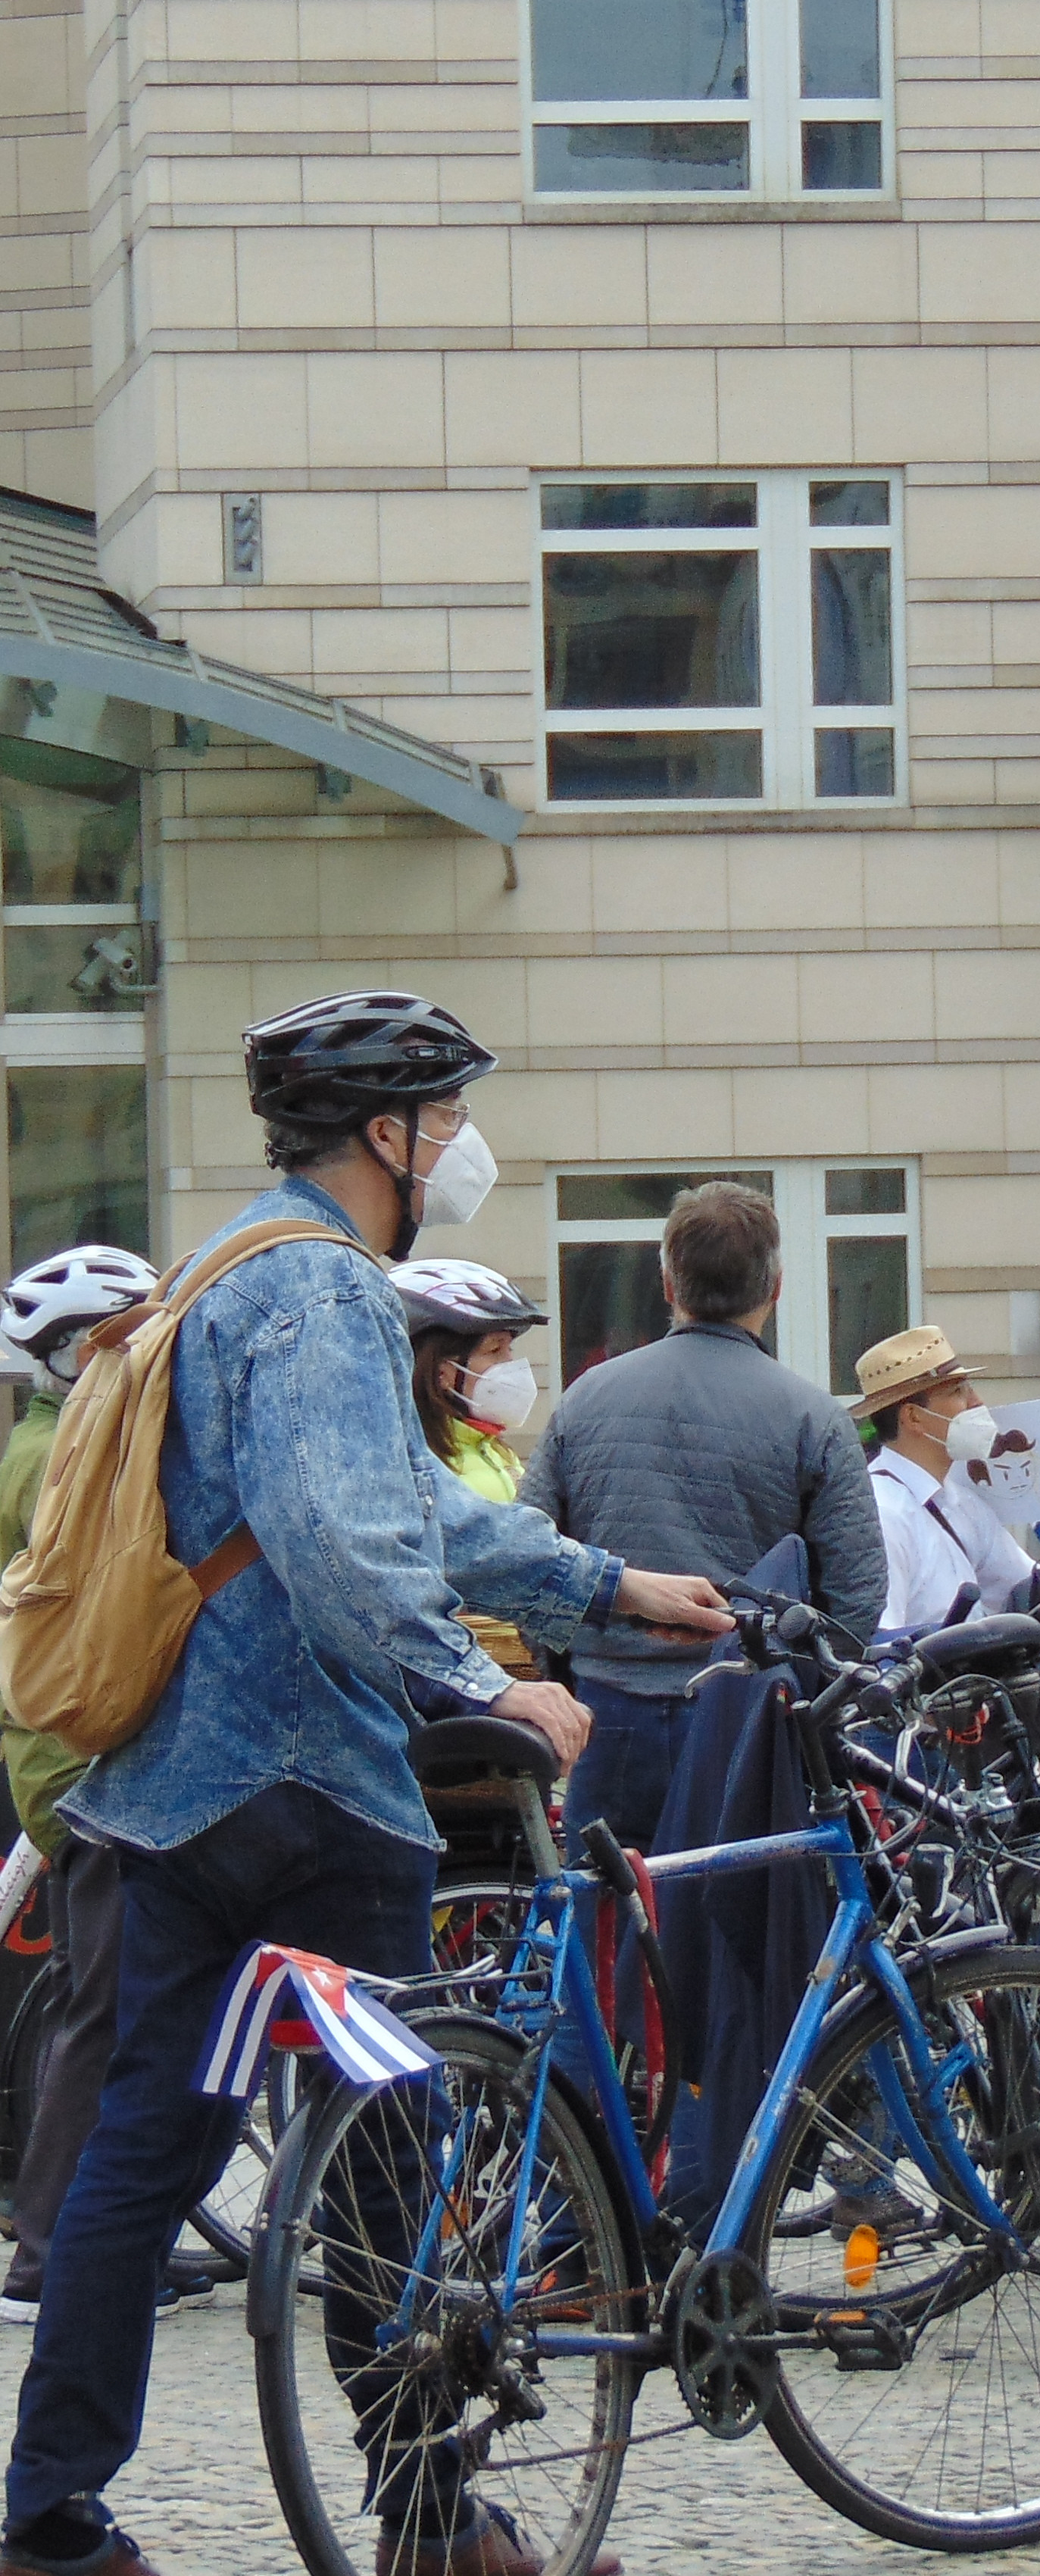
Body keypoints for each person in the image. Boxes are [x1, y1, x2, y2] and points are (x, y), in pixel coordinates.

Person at [2, 988, 732, 2576]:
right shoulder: (328, 1292)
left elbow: (410, 1508)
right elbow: (349, 1543)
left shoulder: (228, 1268)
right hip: (307, 1784)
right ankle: (427, 2515)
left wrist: (608, 1583)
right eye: (450, 1116)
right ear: (389, 1132)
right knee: (390, 2148)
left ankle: (49, 2514)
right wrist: (491, 1682)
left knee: (148, 2146)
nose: (463, 1144)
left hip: (163, 1789)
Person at [519, 1180, 888, 1849]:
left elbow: (532, 1559)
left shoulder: (584, 1401)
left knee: (613, 1922)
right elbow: (854, 1596)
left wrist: (564, 1676)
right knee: (748, 1927)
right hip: (753, 1722)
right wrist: (803, 1700)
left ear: (667, 1283)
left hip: (609, 1714)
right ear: (776, 1289)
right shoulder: (814, 1419)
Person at [0, 1249, 213, 2332]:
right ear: (83, 1352)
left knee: (116, 1998)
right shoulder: (59, 1456)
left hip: (75, 1754)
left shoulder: (50, 1439)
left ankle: (101, 2238)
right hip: (87, 1759)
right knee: (108, 2009)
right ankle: (47, 2252)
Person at [392, 1258, 551, 1678]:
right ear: (443, 1373)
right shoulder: (416, 1469)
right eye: (495, 1350)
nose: (513, 1365)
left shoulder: (494, 1451)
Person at [842, 1326, 1032, 1635]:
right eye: (958, 1391)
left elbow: (1023, 1586)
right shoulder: (882, 1516)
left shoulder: (962, 1504)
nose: (977, 1403)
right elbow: (880, 1646)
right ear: (914, 1418)